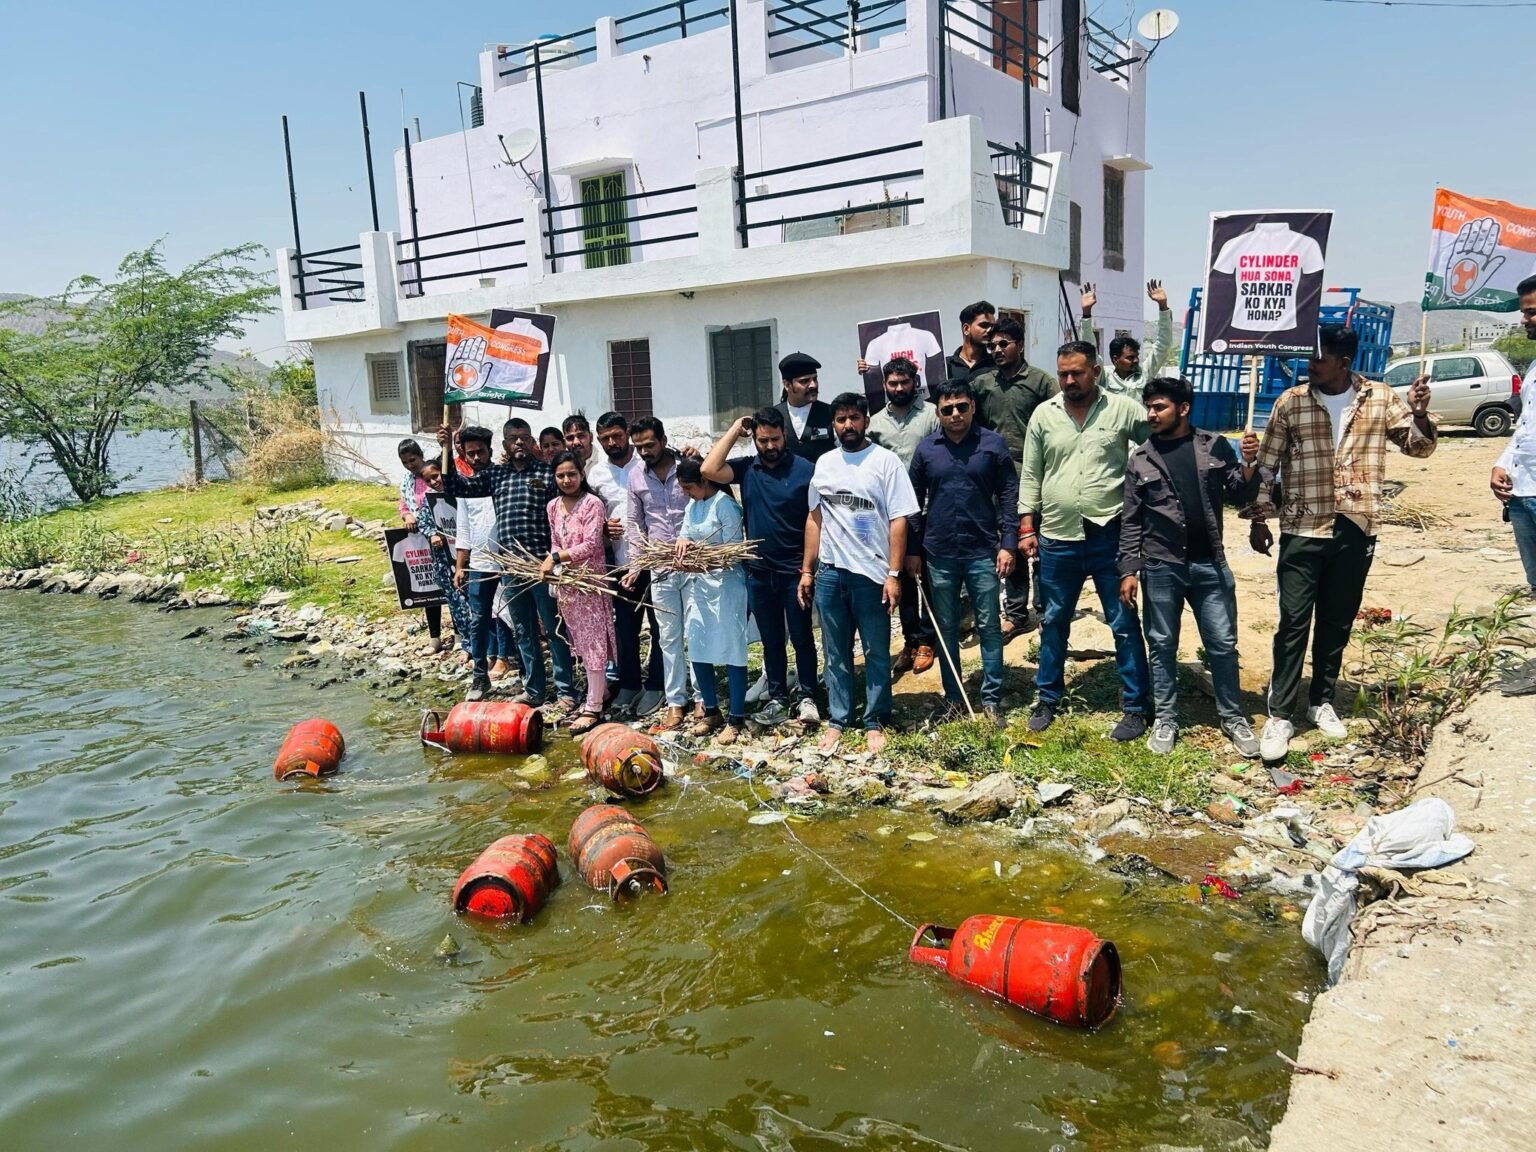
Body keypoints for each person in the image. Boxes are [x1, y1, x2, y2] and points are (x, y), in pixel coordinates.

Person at [1247, 324, 1435, 760]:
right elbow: (1269, 463)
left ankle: (1321, 701)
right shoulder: (1291, 402)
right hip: (1301, 526)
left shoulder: (1381, 398)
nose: (1309, 364)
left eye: (1318, 358)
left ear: (1344, 362)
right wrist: (1258, 519)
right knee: (1293, 620)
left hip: (1356, 524)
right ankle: (1280, 714)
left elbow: (1418, 449)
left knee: (1337, 620)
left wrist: (1421, 413)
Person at [1118, 377, 1262, 757]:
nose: (1151, 413)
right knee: (1162, 646)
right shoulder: (1140, 458)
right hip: (1162, 566)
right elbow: (1131, 520)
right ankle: (1166, 719)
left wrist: (1248, 462)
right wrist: (1129, 569)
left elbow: (1239, 493)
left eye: (1160, 406)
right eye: (1149, 406)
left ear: (1183, 409)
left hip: (1210, 565)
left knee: (1222, 644)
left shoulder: (1213, 445)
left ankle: (1232, 718)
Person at [1019, 340, 1152, 740]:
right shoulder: (1045, 415)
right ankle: (1047, 699)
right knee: (1055, 619)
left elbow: (1156, 443)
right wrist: (1027, 526)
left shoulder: (1123, 409)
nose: (1069, 380)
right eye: (1063, 373)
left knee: (1124, 622)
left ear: (1096, 371)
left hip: (1109, 534)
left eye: (1077, 372)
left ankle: (1135, 706)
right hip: (1057, 536)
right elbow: (1031, 473)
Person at [799, 392, 919, 755]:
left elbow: (899, 519)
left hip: (872, 573)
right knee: (835, 652)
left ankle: (876, 719)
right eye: (840, 419)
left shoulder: (885, 462)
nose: (847, 425)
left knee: (876, 650)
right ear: (833, 425)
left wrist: (894, 573)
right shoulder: (824, 463)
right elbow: (814, 517)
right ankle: (838, 719)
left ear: (866, 420)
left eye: (854, 418)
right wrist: (807, 570)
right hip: (832, 573)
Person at [438, 418, 579, 711]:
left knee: (553, 629)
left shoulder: (546, 472)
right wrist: (446, 451)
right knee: (524, 631)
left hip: (542, 565)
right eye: (513, 438)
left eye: (524, 438)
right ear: (504, 445)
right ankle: (535, 689)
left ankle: (566, 691)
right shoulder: (496, 475)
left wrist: (558, 558)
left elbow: (565, 514)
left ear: (532, 443)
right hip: (511, 567)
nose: (519, 443)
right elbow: (456, 488)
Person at [908, 379, 1019, 729]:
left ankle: (991, 699)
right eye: (947, 409)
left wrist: (1009, 543)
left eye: (961, 407)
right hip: (939, 552)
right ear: (938, 413)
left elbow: (1009, 496)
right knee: (946, 627)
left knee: (988, 625)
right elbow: (911, 504)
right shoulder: (927, 450)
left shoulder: (993, 445)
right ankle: (953, 698)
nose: (955, 414)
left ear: (972, 406)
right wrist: (912, 552)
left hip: (983, 550)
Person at [700, 407, 821, 727]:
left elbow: (815, 520)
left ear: (785, 436)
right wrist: (734, 430)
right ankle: (779, 696)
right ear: (754, 439)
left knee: (801, 636)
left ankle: (808, 696)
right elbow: (709, 468)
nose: (769, 446)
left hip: (794, 571)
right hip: (758, 571)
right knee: (770, 639)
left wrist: (808, 569)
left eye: (775, 439)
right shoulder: (747, 468)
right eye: (762, 440)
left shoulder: (806, 469)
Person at [973, 316, 1056, 639]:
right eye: (992, 345)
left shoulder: (1041, 383)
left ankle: (1048, 611)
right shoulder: (983, 385)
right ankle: (1017, 613)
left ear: (1020, 345)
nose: (996, 350)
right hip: (999, 482)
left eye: (1003, 344)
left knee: (1042, 545)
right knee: (1010, 544)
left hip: (1039, 478)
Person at [867, 356, 940, 678]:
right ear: (884, 385)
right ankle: (911, 641)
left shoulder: (932, 416)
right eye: (892, 384)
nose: (898, 388)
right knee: (901, 579)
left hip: (928, 509)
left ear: (915, 382)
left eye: (904, 383)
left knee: (931, 578)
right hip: (892, 515)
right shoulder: (874, 424)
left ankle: (929, 641)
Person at [587, 411, 664, 717]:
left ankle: (658, 684)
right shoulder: (596, 474)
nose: (612, 442)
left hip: (655, 559)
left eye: (617, 436)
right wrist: (603, 529)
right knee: (626, 628)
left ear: (627, 435)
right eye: (605, 438)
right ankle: (631, 683)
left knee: (661, 628)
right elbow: (591, 515)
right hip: (620, 562)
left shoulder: (647, 463)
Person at [674, 456, 752, 744]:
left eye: (688, 487)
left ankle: (736, 716)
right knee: (697, 646)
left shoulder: (726, 505)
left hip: (728, 586)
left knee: (733, 650)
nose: (686, 493)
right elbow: (684, 535)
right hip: (700, 587)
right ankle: (711, 709)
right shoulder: (693, 506)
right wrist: (683, 545)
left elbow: (732, 551)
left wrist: (700, 556)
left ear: (705, 481)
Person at [539, 451, 616, 735]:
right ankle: (602, 691)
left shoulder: (592, 504)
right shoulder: (553, 506)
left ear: (582, 474)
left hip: (590, 582)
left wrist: (556, 558)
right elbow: (554, 542)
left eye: (572, 474)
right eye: (561, 475)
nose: (567, 480)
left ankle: (593, 707)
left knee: (594, 641)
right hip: (569, 584)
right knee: (580, 642)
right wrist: (554, 567)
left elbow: (591, 545)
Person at [625, 416, 693, 732]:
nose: (644, 452)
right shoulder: (636, 477)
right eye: (639, 447)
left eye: (649, 445)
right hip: (661, 566)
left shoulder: (690, 465)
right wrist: (637, 565)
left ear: (663, 440)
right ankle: (677, 701)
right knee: (668, 636)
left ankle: (706, 699)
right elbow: (635, 524)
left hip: (696, 562)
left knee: (698, 631)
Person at [447, 426, 515, 700]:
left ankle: (514, 663)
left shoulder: (504, 479)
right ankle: (479, 676)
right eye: (470, 453)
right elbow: (463, 530)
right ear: (464, 454)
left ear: (490, 451)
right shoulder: (465, 487)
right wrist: (460, 565)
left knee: (514, 616)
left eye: (481, 452)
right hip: (480, 563)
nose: (476, 458)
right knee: (479, 619)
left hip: (510, 561)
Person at [1491, 275, 1536, 594]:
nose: (1524, 320)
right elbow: (1526, 426)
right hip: (1521, 492)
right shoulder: (1533, 368)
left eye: (1531, 312)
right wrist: (1502, 463)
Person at [397, 439, 453, 654]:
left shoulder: (434, 475)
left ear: (420, 455)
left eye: (412, 460)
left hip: (443, 535)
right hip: (420, 538)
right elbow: (404, 504)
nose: (410, 465)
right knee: (428, 586)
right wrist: (407, 514)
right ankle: (434, 637)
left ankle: (459, 633)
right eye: (405, 462)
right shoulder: (407, 482)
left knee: (450, 584)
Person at [416, 460, 473, 664]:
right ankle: (467, 644)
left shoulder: (463, 491)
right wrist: (432, 534)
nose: (433, 481)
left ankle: (485, 645)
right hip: (444, 560)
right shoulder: (429, 500)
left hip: (468, 557)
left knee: (475, 602)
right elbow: (423, 521)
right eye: (428, 480)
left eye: (436, 475)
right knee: (456, 604)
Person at [1081, 279, 1174, 395]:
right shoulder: (1104, 377)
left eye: (1136, 356)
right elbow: (1089, 350)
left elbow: (1163, 345)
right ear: (1115, 359)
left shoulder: (1145, 373)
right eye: (1130, 357)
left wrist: (1163, 306)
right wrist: (1086, 313)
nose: (1136, 360)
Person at [776, 351, 837, 462]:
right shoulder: (773, 416)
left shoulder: (831, 413)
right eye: (804, 381)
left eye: (815, 379)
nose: (813, 385)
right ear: (787, 385)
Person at [945, 300, 997, 384]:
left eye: (992, 326)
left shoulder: (996, 364)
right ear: (966, 329)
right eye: (984, 325)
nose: (989, 330)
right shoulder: (946, 366)